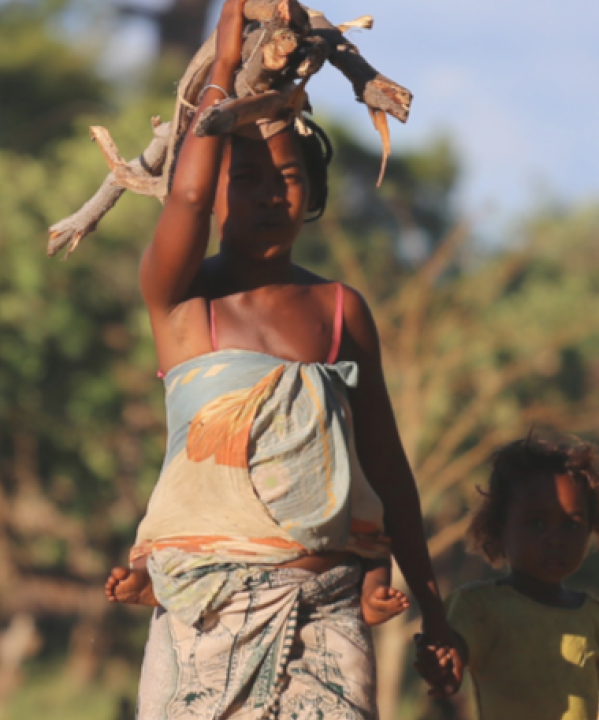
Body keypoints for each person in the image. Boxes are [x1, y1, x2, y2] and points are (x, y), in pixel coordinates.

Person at [101, 1, 461, 717]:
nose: (270, 194)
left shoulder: (338, 311)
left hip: (325, 618)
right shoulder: (179, 300)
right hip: (202, 618)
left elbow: (388, 467)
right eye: (247, 179)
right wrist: (225, 68)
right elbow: (190, 194)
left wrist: (433, 607)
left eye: (289, 178)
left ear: (314, 192)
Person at [416, 434, 599, 720]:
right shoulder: (479, 607)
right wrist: (440, 663)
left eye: (571, 525)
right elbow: (452, 657)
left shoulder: (593, 616)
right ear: (499, 528)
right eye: (536, 523)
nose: (555, 539)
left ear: (590, 530)